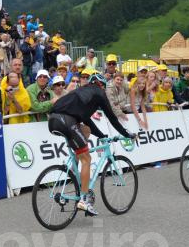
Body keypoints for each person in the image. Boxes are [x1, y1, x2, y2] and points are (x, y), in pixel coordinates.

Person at [49, 73, 135, 215]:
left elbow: (87, 120)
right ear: (101, 85)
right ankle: (83, 200)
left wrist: (101, 135)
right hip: (66, 121)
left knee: (85, 131)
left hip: (53, 120)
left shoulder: (82, 92)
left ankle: (75, 170)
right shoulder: (99, 93)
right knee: (87, 159)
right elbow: (112, 118)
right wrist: (126, 134)